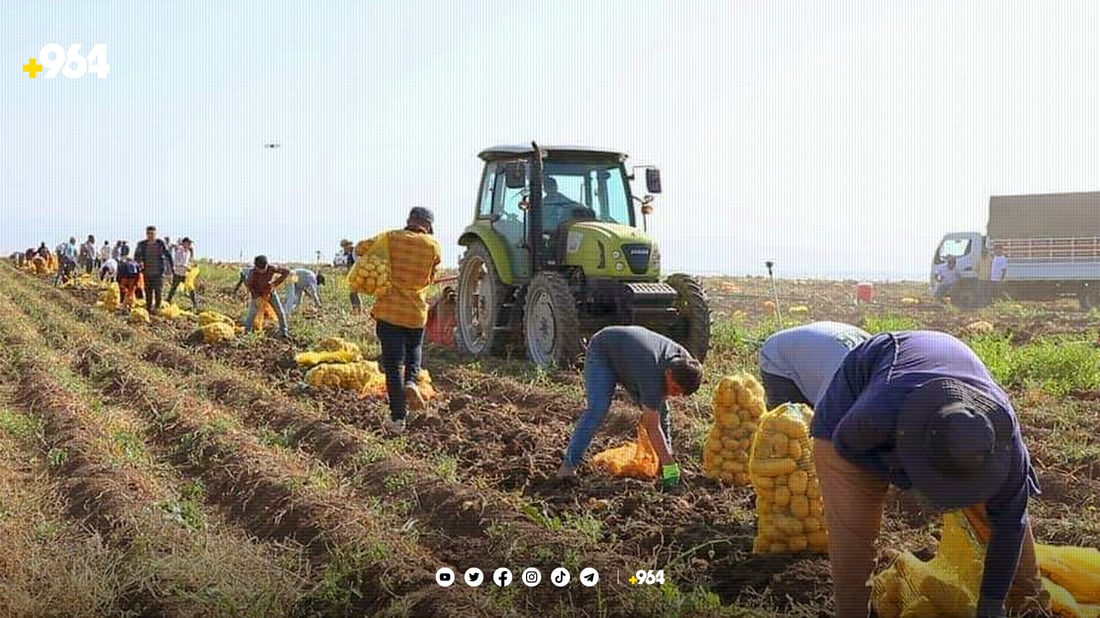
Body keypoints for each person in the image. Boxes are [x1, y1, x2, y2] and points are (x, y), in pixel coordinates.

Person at [810, 331, 1048, 618]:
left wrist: (990, 604)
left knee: (1001, 517)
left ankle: (1031, 603)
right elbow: (844, 444)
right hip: (845, 424)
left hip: (944, 383)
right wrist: (901, 475)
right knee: (853, 536)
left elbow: (1010, 525)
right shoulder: (878, 413)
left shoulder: (1005, 445)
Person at [557, 325, 704, 489]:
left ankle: (665, 465)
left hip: (631, 357)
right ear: (668, 374)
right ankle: (568, 466)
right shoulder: (653, 376)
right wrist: (669, 463)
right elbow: (652, 426)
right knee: (597, 409)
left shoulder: (687, 364)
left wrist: (667, 460)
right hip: (603, 351)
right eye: (675, 389)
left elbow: (660, 413)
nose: (675, 395)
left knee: (661, 411)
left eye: (680, 394)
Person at [372, 207, 442, 435]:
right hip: (415, 313)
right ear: (428, 225)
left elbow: (363, 249)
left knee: (392, 367)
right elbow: (431, 278)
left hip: (390, 311)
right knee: (415, 349)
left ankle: (397, 418)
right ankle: (412, 380)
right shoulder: (433, 246)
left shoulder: (391, 238)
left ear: (409, 221)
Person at [758, 321, 871, 408]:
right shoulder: (842, 376)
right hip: (778, 358)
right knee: (790, 425)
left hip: (818, 348)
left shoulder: (879, 358)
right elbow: (825, 420)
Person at [242, 255, 290, 338]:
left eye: (264, 269)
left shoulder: (272, 268)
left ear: (267, 264)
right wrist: (256, 298)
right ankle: (247, 332)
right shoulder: (252, 273)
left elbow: (286, 272)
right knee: (251, 314)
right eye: (260, 269)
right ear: (256, 267)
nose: (262, 271)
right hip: (258, 294)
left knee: (280, 312)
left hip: (270, 293)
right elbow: (249, 286)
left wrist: (275, 284)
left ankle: (284, 331)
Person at [134, 226, 173, 314]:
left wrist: (171, 268)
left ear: (155, 234)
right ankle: (148, 308)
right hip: (147, 272)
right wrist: (139, 262)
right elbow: (136, 256)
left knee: (158, 292)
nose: (150, 236)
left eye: (152, 234)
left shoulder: (160, 244)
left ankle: (157, 308)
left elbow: (168, 255)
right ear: (146, 234)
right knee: (148, 292)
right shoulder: (142, 244)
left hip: (158, 273)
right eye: (149, 234)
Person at [166, 237, 199, 309]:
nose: (190, 244)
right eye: (188, 243)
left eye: (190, 243)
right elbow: (177, 262)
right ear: (184, 243)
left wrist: (192, 265)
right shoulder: (179, 251)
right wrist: (186, 267)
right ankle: (168, 301)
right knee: (173, 288)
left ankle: (195, 304)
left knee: (190, 287)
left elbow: (187, 262)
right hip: (178, 273)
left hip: (185, 274)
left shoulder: (188, 252)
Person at [340, 239, 362, 314]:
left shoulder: (355, 252)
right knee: (353, 293)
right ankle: (357, 309)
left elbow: (358, 263)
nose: (344, 248)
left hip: (357, 275)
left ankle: (357, 310)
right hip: (354, 275)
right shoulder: (350, 254)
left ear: (349, 245)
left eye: (345, 246)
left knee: (353, 293)